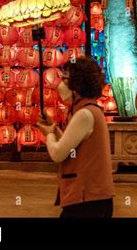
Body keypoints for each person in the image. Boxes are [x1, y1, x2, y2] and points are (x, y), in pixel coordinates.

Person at [37, 56, 115, 218]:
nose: (62, 84)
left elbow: (58, 153)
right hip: (94, 198)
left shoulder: (84, 114)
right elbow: (71, 143)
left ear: (77, 85)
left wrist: (49, 134)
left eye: (66, 78)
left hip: (87, 199)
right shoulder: (89, 110)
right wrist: (54, 128)